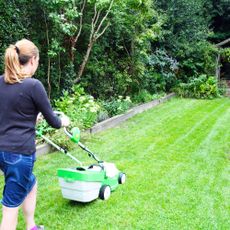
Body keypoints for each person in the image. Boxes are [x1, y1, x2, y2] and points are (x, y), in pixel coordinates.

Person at [0, 39, 70, 230]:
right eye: (38, 61)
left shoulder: (0, 82)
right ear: (32, 60)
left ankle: (31, 226)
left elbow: (9, 115)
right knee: (10, 207)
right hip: (19, 154)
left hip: (3, 152)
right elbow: (54, 122)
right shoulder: (33, 85)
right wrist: (64, 121)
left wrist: (32, 119)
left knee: (30, 183)